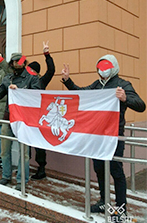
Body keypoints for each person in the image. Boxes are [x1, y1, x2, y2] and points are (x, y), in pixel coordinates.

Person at [61, 54, 146, 218]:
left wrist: (125, 98)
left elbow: (141, 105)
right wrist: (68, 81)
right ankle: (103, 202)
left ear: (114, 67)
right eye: (100, 67)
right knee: (99, 169)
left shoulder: (123, 85)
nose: (102, 71)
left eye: (106, 67)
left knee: (116, 172)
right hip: (97, 137)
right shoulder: (97, 85)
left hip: (114, 137)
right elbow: (81, 93)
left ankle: (120, 210)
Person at [0, 52, 41, 191]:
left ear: (24, 62)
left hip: (24, 120)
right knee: (5, 151)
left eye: (20, 61)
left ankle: (22, 180)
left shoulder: (32, 78)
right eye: (15, 61)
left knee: (24, 153)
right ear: (11, 64)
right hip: (8, 118)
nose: (18, 63)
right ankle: (6, 176)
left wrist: (20, 91)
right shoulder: (7, 78)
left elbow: (37, 96)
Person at [28, 41, 55, 180]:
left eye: (30, 70)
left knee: (39, 144)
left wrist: (47, 54)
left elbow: (51, 71)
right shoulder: (24, 81)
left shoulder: (41, 81)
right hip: (27, 117)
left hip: (39, 117)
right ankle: (25, 166)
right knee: (26, 142)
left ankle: (41, 168)